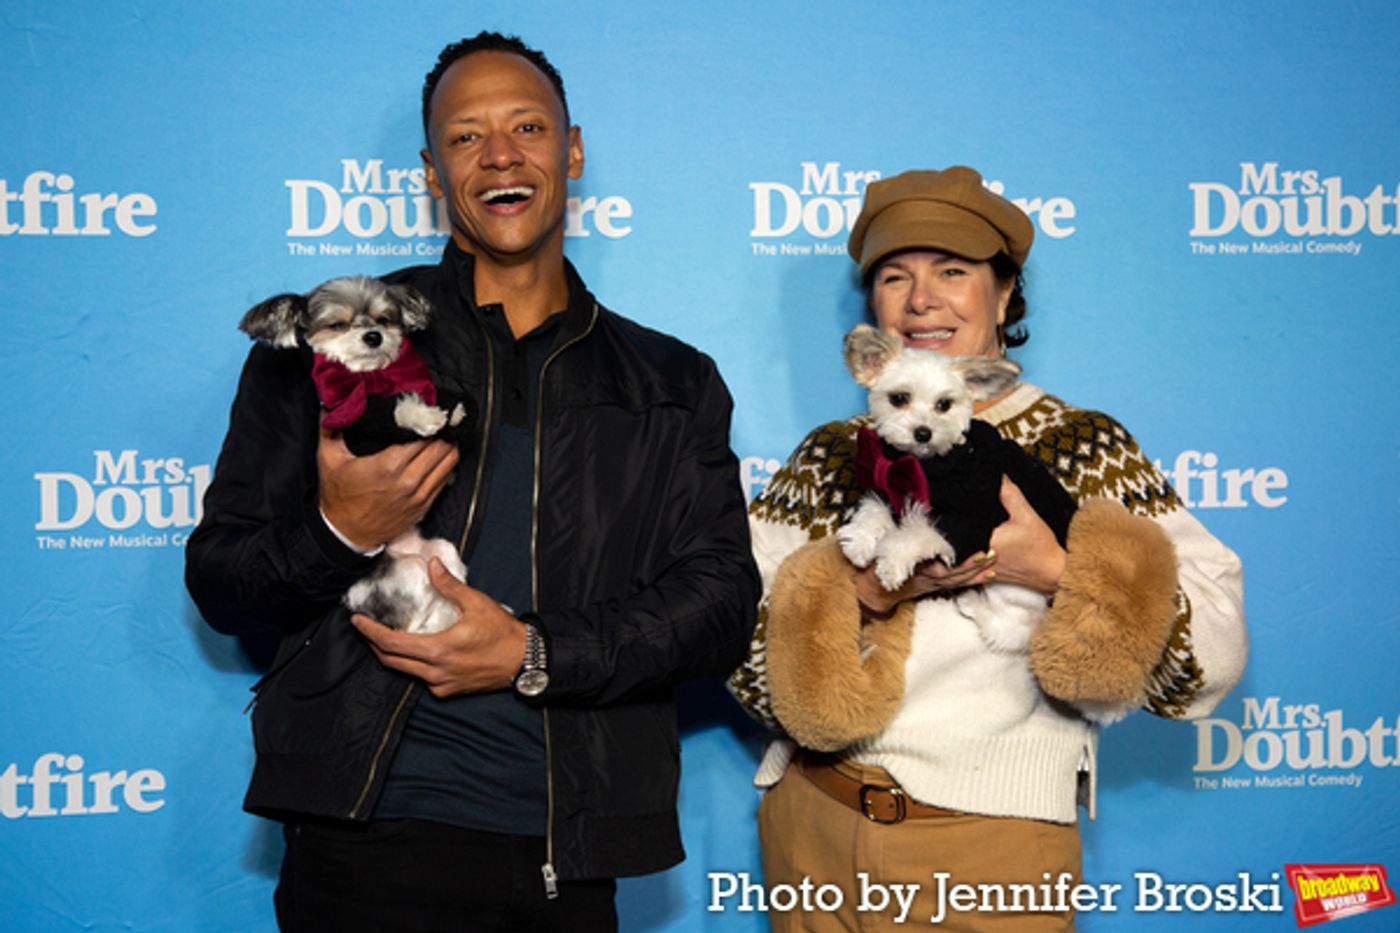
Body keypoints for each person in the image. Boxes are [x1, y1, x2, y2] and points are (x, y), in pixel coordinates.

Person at [186, 31, 759, 932]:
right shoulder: (330, 341)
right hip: (363, 843)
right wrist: (338, 527)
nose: (500, 154)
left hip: (565, 858)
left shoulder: (673, 380)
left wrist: (534, 652)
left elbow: (721, 603)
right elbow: (221, 581)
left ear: (571, 151)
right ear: (429, 170)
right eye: (465, 136)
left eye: (528, 126)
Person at [728, 166, 1247, 931]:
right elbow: (730, 636)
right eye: (894, 276)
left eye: (952, 271)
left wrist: (1060, 573)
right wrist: (863, 598)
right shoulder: (833, 454)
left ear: (1005, 294)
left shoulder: (1081, 446)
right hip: (813, 829)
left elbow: (1208, 657)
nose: (921, 299)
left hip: (987, 848)